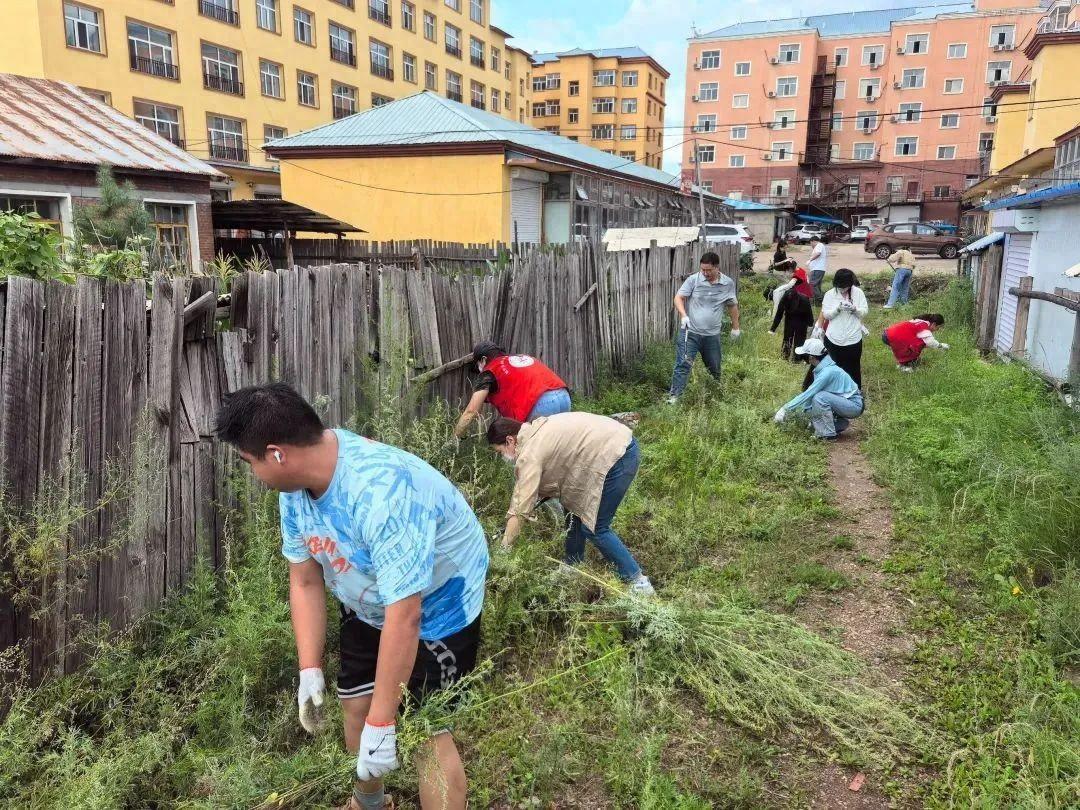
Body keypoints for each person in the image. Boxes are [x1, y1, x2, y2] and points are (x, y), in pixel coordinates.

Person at [215, 383, 488, 810]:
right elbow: (305, 580)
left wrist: (386, 722)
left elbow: (407, 616)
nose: (253, 474)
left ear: (277, 454)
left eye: (251, 463)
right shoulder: (296, 488)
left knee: (423, 732)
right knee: (356, 708)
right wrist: (310, 669)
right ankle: (370, 802)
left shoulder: (381, 493)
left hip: (437, 606)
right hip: (367, 596)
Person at [487, 412, 655, 596]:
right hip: (609, 446)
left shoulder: (530, 452)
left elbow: (520, 509)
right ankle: (572, 564)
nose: (503, 456)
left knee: (596, 528)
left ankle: (637, 581)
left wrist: (504, 549)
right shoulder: (534, 430)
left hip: (618, 455)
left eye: (500, 451)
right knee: (572, 508)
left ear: (510, 440)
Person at [667, 251, 741, 404]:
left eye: (709, 270)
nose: (705, 273)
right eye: (703, 270)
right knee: (683, 364)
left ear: (717, 268)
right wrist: (683, 315)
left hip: (712, 336)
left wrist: (735, 328)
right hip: (691, 333)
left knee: (714, 368)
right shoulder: (694, 280)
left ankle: (715, 397)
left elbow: (732, 305)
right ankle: (674, 397)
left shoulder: (727, 283)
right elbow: (678, 297)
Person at [454, 341, 570, 438]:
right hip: (564, 397)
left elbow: (471, 411)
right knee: (558, 446)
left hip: (540, 404)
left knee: (529, 452)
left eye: (478, 363)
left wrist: (454, 439)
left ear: (483, 360)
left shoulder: (489, 371)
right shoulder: (520, 357)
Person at [774, 338, 864, 440]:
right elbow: (809, 398)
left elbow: (808, 394)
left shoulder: (827, 372)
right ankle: (839, 424)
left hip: (855, 406)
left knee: (820, 397)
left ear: (812, 357)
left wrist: (785, 409)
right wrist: (807, 414)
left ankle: (827, 434)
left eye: (805, 356)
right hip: (846, 403)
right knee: (815, 401)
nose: (804, 359)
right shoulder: (823, 368)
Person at [819, 268, 869, 388]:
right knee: (834, 367)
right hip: (833, 338)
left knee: (853, 368)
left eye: (845, 287)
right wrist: (837, 309)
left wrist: (854, 309)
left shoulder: (858, 293)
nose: (842, 290)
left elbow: (864, 312)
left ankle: (855, 393)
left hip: (853, 338)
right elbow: (826, 314)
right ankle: (836, 391)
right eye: (839, 287)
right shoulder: (830, 294)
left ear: (850, 284)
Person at [769, 267, 815, 360]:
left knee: (787, 338)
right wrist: (810, 324)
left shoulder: (787, 294)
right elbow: (809, 314)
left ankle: (785, 357)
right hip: (802, 321)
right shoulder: (805, 297)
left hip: (790, 319)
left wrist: (773, 329)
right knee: (800, 340)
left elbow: (779, 312)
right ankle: (797, 359)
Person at [883, 313, 949, 372]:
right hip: (891, 337)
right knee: (914, 348)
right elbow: (930, 342)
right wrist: (941, 346)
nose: (937, 330)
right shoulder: (924, 327)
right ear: (934, 324)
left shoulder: (920, 321)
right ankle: (904, 366)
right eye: (938, 328)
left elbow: (924, 343)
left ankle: (908, 362)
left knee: (918, 344)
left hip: (887, 333)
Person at [883, 245, 916, 309]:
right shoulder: (911, 254)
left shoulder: (901, 251)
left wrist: (889, 260)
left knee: (895, 287)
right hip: (910, 271)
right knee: (905, 288)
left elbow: (893, 258)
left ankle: (890, 304)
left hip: (901, 270)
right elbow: (914, 265)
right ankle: (904, 304)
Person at [806, 235, 828, 300]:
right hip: (818, 269)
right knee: (817, 285)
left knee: (812, 284)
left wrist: (810, 260)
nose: (811, 245)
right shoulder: (819, 246)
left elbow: (818, 253)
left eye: (810, 243)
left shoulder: (819, 245)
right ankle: (817, 299)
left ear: (813, 241)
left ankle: (819, 299)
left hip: (817, 269)